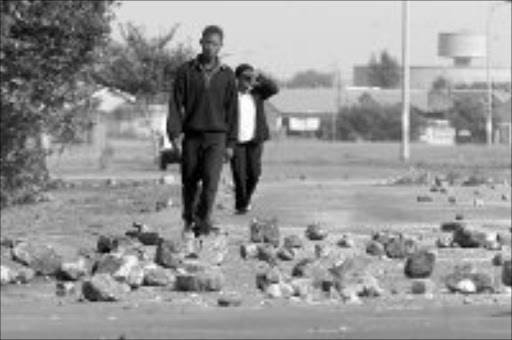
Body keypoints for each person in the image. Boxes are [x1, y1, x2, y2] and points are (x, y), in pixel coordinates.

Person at [167, 25, 238, 239]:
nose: (210, 47)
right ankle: (189, 219)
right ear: (201, 43)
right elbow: (175, 104)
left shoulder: (227, 75)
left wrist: (231, 144)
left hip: (217, 137)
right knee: (189, 182)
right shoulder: (186, 71)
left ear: (220, 47)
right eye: (207, 42)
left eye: (215, 44)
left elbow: (233, 111)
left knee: (210, 182)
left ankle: (203, 223)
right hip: (192, 136)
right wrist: (175, 133)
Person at [230, 64, 279, 214]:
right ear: (237, 78)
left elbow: (273, 89)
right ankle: (241, 205)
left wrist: (259, 77)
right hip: (236, 141)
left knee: (254, 173)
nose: (248, 81)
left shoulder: (257, 93)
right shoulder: (230, 96)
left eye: (250, 78)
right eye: (245, 77)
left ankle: (246, 200)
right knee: (239, 175)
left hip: (254, 140)